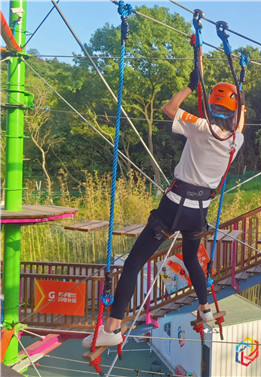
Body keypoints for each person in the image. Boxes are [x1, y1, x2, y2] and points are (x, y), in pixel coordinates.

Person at [82, 71, 246, 348]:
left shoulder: (201, 126)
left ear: (209, 107)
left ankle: (112, 327)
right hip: (199, 212)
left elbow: (169, 109)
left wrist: (190, 86)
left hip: (174, 206)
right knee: (192, 259)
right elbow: (238, 126)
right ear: (234, 113)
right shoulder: (235, 141)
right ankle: (204, 308)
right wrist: (241, 106)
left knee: (134, 262)